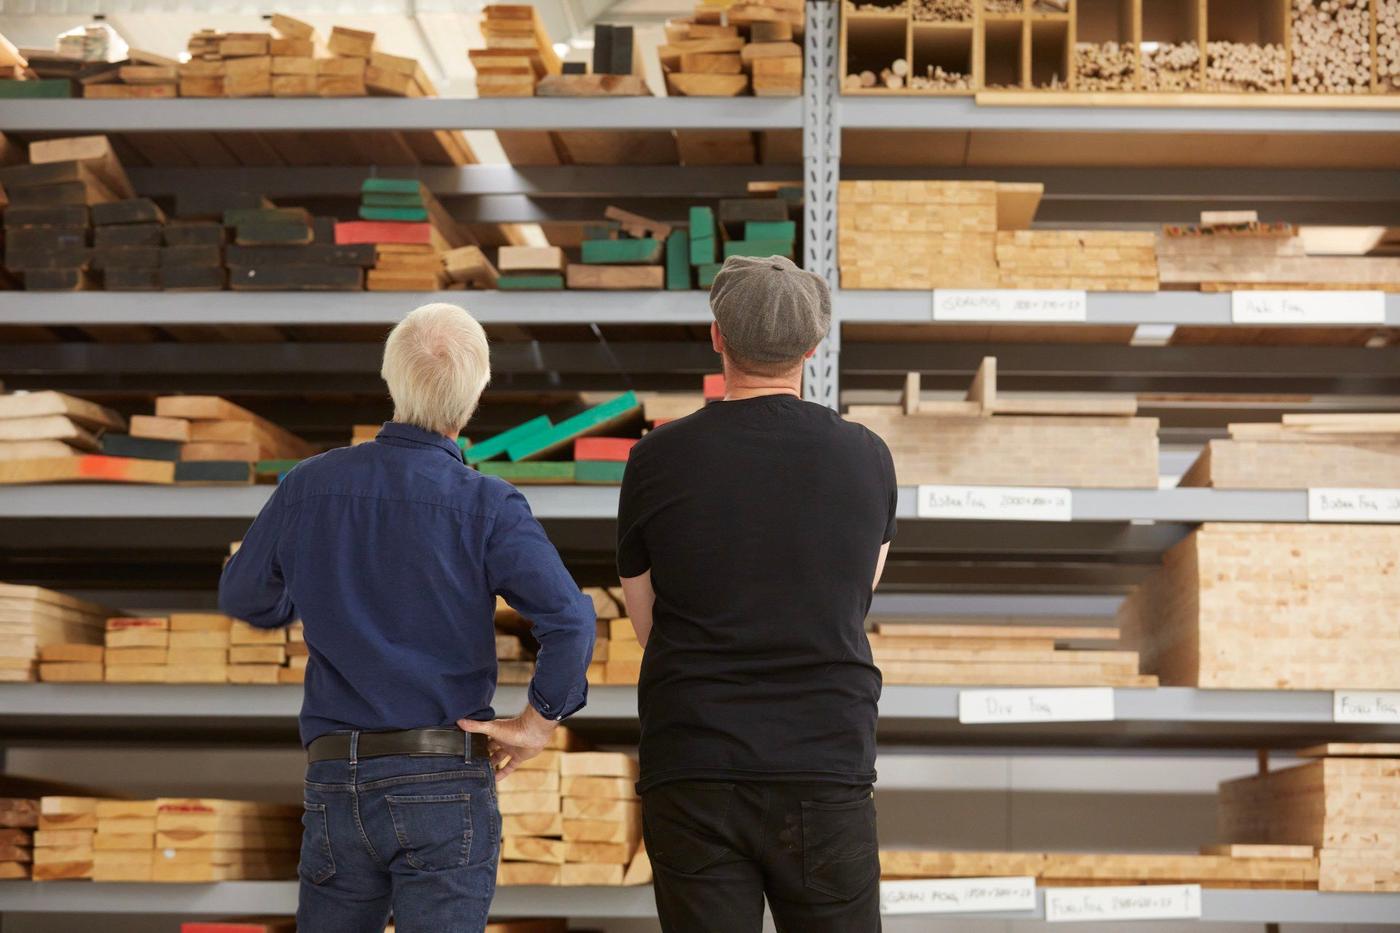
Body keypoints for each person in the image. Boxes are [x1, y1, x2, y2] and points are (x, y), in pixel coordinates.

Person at [219, 302, 595, 933]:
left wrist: (318, 596)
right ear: (474, 395)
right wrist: (537, 723)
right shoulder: (488, 505)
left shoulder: (309, 486)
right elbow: (570, 622)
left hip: (335, 780)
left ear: (391, 378)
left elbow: (245, 595)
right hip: (442, 779)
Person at [616, 256, 897, 932]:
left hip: (695, 762)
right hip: (823, 759)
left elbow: (647, 620)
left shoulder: (657, 458)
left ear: (718, 336)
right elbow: (855, 595)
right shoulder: (867, 457)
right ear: (812, 345)